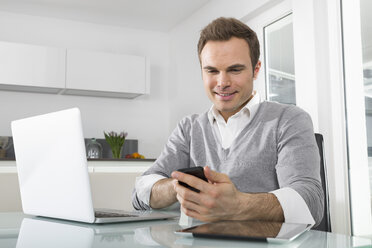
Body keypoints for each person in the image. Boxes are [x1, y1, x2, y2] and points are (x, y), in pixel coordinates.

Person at [132, 17, 324, 226]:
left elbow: (311, 202)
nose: (222, 83)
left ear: (256, 69)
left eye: (235, 70)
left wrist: (238, 205)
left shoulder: (289, 120)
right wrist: (178, 186)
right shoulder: (189, 128)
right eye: (212, 71)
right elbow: (140, 193)